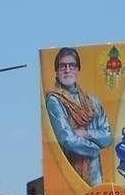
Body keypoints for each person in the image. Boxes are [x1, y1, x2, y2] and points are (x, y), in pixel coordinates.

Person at [44, 47, 112, 186]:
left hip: (96, 175)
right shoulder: (55, 101)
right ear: (56, 72)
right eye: (62, 66)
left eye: (72, 65)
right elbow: (68, 140)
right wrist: (96, 148)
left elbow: (108, 136)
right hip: (69, 174)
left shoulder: (92, 102)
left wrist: (86, 133)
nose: (67, 70)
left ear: (78, 70)